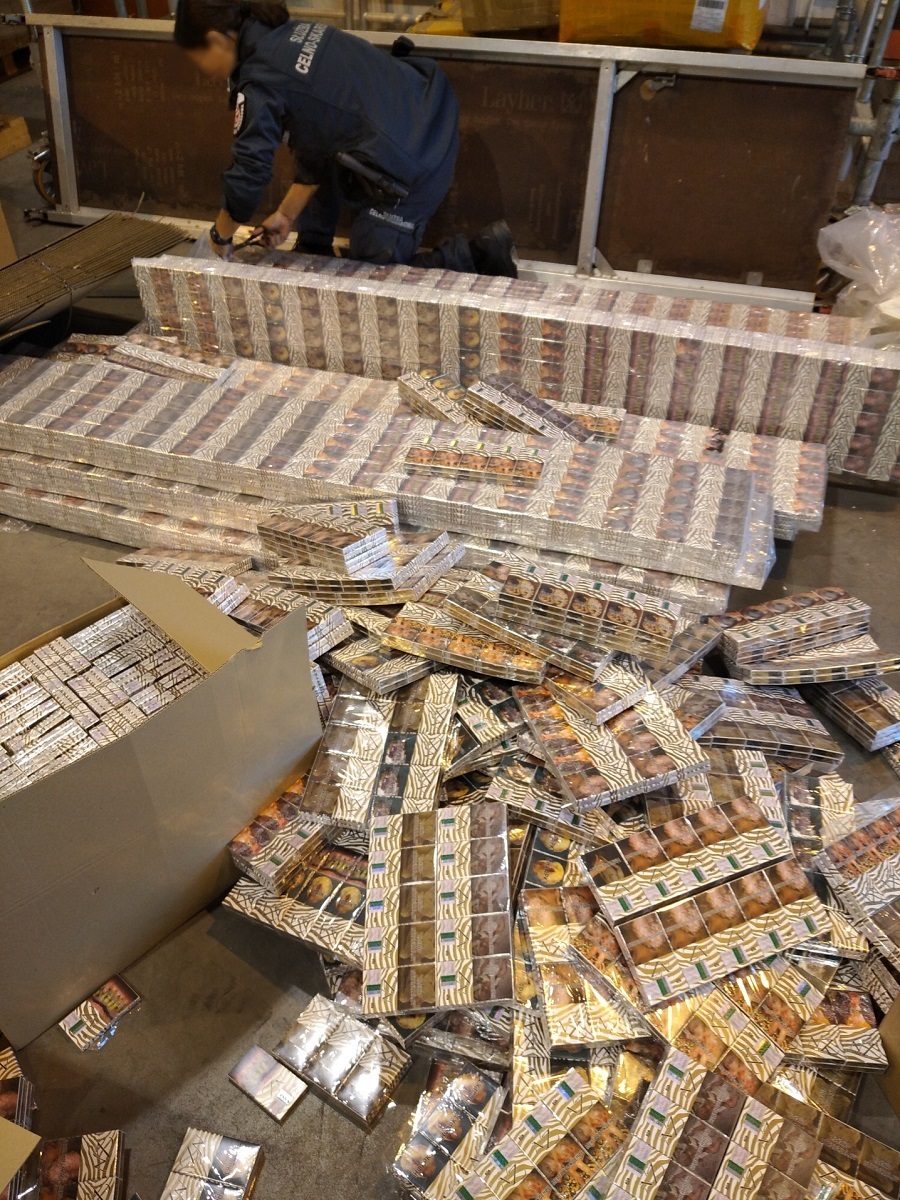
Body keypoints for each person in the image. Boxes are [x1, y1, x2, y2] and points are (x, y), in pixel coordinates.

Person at [174, 0, 517, 275]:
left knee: (374, 262)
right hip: (428, 108)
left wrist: (217, 239)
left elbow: (249, 174)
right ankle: (313, 254)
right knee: (322, 167)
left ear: (217, 41)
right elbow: (319, 137)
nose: (203, 70)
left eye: (198, 59)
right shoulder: (288, 33)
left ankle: (478, 254)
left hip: (421, 156)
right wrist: (286, 215)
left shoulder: (259, 80)